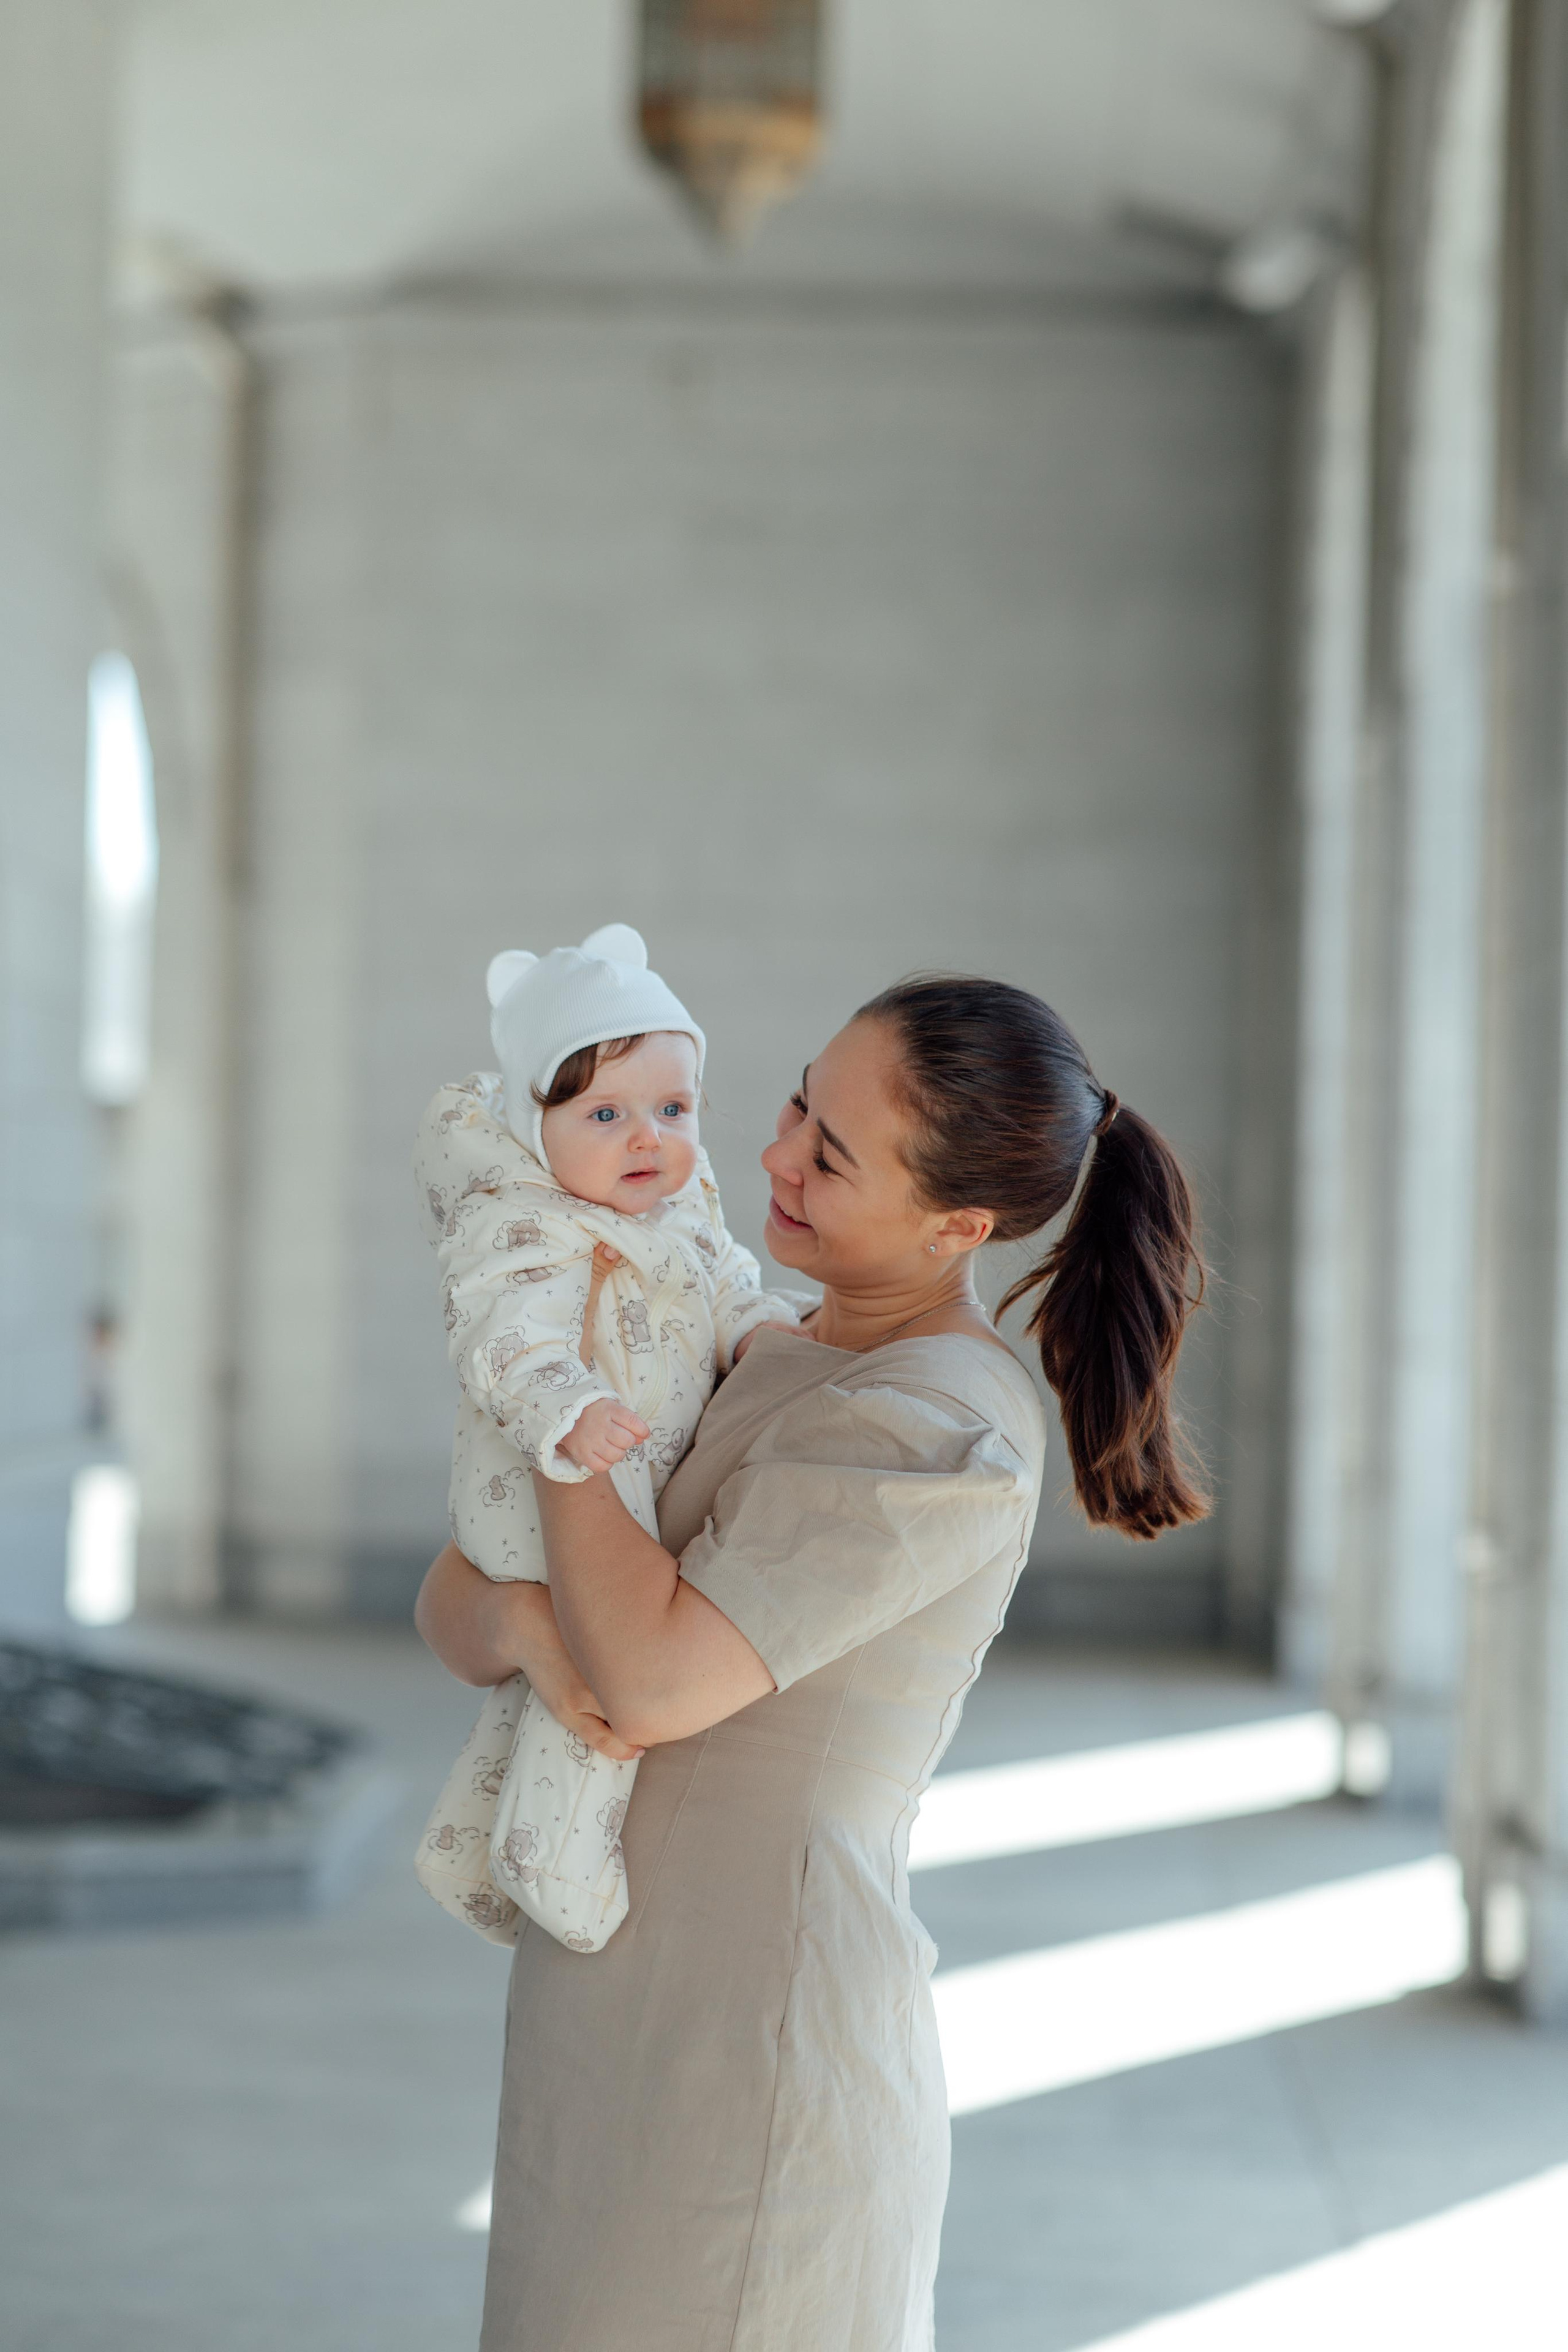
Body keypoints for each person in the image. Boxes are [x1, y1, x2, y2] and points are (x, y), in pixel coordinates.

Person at [417, 973, 1208, 2352]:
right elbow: (456, 1602)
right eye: (793, 1099)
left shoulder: (929, 1422)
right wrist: (538, 1630)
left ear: (957, 1225)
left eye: (830, 1152)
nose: (771, 1152)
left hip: (758, 2055)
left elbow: (653, 1685)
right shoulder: (746, 1333)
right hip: (609, 2012)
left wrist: (563, 1382)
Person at [413, 924, 801, 1952]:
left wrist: (757, 1327)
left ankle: (469, 1849)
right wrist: (564, 1408)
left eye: (672, 1110)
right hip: (545, 1473)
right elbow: (500, 1333)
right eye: (607, 1114)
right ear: (536, 1129)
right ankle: (556, 1863)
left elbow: (724, 1281)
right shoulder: (523, 1225)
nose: (649, 1140)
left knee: (540, 1693)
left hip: (615, 1466)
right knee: (595, 1687)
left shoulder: (675, 1213)